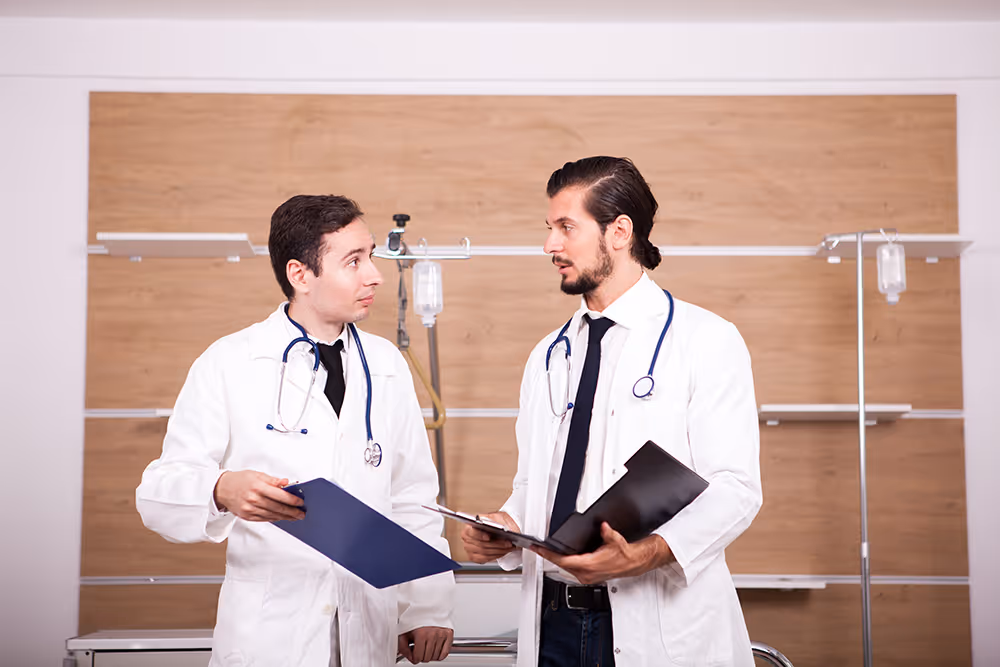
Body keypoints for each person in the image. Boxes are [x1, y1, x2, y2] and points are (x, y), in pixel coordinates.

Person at [461, 157, 762, 667]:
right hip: (553, 623)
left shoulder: (705, 340)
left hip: (655, 623)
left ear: (619, 232)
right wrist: (503, 527)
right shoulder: (548, 355)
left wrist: (639, 556)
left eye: (565, 228)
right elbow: (536, 485)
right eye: (549, 228)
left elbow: (735, 488)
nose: (549, 246)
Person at [137, 194, 455, 666]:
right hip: (271, 634)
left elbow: (412, 497)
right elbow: (158, 492)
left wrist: (426, 605)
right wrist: (221, 488)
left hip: (367, 627)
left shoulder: (386, 365)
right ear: (300, 275)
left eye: (370, 256)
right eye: (353, 261)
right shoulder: (231, 361)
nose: (374, 275)